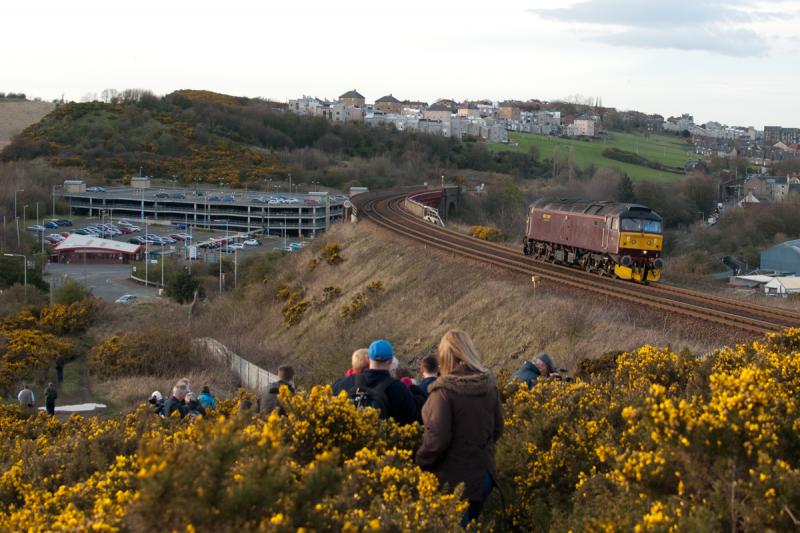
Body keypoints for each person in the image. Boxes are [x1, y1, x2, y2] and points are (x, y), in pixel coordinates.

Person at [416, 329, 504, 527]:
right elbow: (498, 429)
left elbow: (437, 440)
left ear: (445, 356)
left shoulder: (443, 393)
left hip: (454, 479)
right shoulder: (489, 387)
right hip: (484, 475)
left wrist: (418, 463)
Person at [332, 339, 418, 425]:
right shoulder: (400, 389)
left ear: (368, 359)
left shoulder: (343, 383)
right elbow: (414, 421)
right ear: (391, 361)